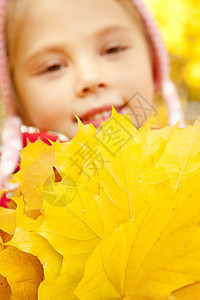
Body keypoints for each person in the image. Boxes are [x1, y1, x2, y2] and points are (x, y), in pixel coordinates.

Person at [0, 0, 185, 206]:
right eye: (53, 67)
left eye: (113, 49)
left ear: (153, 61)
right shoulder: (13, 199)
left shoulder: (186, 169)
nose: (91, 78)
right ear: (18, 98)